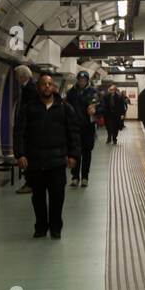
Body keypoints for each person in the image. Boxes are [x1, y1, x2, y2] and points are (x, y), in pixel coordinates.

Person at [13, 73, 79, 239]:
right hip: (36, 161)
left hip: (57, 160)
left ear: (54, 88)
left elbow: (73, 133)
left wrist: (73, 155)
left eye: (50, 84)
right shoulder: (28, 108)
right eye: (44, 84)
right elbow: (20, 133)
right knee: (38, 197)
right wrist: (20, 154)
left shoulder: (64, 108)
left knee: (57, 196)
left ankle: (56, 227)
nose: (47, 87)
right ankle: (41, 226)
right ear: (38, 88)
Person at [64, 69, 100, 187]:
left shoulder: (93, 92)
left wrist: (95, 111)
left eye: (84, 80)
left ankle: (85, 177)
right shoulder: (72, 93)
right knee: (75, 153)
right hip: (74, 127)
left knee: (86, 153)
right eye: (80, 80)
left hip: (87, 127)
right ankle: (75, 177)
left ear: (87, 80)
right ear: (77, 80)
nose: (82, 82)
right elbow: (66, 108)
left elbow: (102, 107)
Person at [13, 65, 35, 194]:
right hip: (27, 128)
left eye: (17, 76)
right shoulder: (27, 87)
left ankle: (30, 183)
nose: (16, 79)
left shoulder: (31, 89)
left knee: (28, 156)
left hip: (28, 129)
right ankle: (29, 182)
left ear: (22, 76)